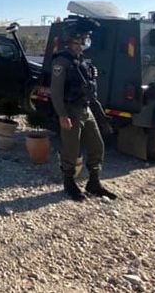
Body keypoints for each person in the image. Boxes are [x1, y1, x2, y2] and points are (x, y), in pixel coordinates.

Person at [50, 19, 117, 202]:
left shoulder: (83, 62)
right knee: (71, 149)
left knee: (97, 145)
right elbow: (55, 92)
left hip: (85, 109)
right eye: (83, 39)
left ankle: (94, 182)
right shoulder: (62, 61)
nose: (86, 42)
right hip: (70, 110)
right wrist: (62, 115)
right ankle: (69, 182)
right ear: (73, 40)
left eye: (87, 38)